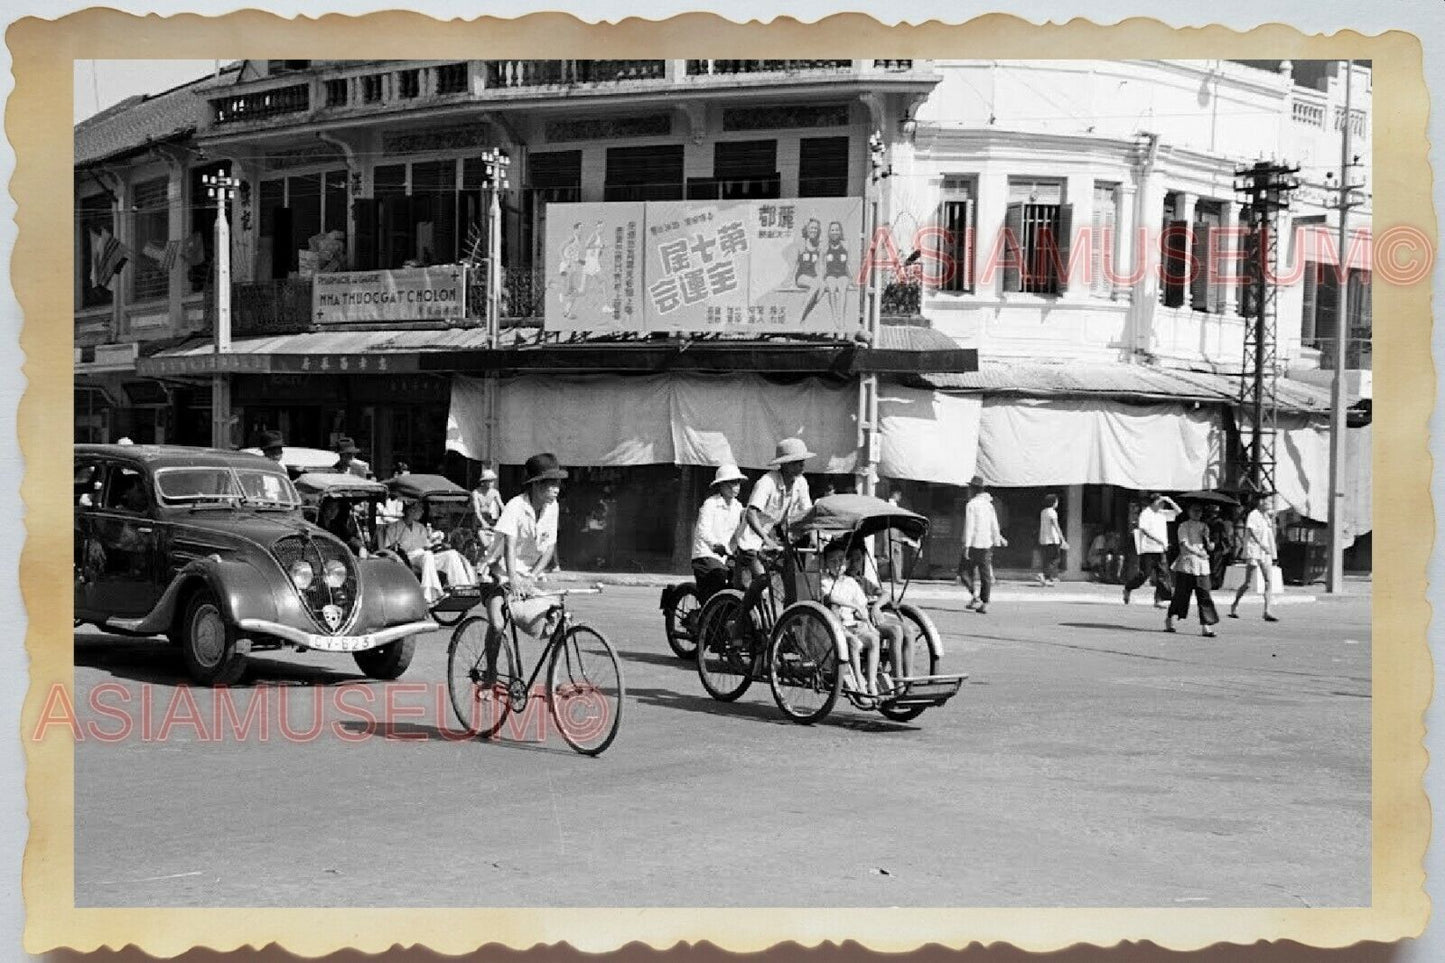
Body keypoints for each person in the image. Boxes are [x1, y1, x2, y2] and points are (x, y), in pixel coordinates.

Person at [481, 453, 567, 681]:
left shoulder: (552, 507)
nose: (556, 489)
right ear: (536, 485)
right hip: (497, 574)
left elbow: (549, 547)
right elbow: (508, 547)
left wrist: (531, 577)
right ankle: (490, 673)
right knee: (498, 625)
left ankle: (553, 679)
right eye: (551, 484)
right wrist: (514, 580)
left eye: (557, 483)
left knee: (557, 618)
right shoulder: (515, 506)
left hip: (526, 576)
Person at [730, 438, 815, 630]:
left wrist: (816, 535)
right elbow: (751, 513)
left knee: (792, 582)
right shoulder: (766, 482)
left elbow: (806, 514)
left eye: (803, 461)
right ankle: (739, 621)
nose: (802, 465)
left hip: (776, 538)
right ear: (784, 465)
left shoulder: (801, 483)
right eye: (796, 462)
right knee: (762, 579)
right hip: (751, 539)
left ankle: (786, 628)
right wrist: (766, 539)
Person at [379, 497, 475, 604]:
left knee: (451, 554)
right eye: (420, 509)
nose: (422, 512)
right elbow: (386, 547)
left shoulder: (420, 528)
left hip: (424, 556)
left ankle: (461, 587)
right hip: (405, 558)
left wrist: (436, 543)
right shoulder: (394, 527)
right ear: (411, 510)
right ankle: (430, 593)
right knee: (427, 555)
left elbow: (426, 545)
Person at [821, 539, 881, 699]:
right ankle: (859, 684)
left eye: (840, 560)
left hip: (852, 625)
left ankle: (872, 682)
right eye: (832, 561)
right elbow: (831, 597)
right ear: (825, 563)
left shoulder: (850, 582)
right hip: (833, 627)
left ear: (846, 562)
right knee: (854, 643)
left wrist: (868, 624)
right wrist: (853, 606)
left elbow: (862, 605)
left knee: (874, 639)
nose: (837, 564)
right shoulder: (824, 580)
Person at [846, 542, 909, 689]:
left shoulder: (862, 581)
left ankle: (908, 680)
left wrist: (876, 606)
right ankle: (898, 682)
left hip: (872, 617)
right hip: (860, 622)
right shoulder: (845, 582)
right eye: (852, 560)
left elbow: (885, 594)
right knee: (896, 630)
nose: (856, 564)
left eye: (859, 559)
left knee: (909, 631)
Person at [691, 464, 746, 602]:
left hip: (726, 556)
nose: (736, 486)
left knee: (742, 581)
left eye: (738, 482)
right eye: (732, 483)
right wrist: (715, 545)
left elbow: (743, 530)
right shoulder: (710, 504)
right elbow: (703, 531)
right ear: (721, 485)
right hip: (706, 554)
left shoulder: (738, 506)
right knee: (719, 579)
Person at [1166, 501, 1220, 636]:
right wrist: (1197, 552)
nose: (1197, 513)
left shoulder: (1205, 526)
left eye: (1200, 511)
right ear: (1189, 512)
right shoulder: (1183, 526)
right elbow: (1184, 544)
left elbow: (1210, 547)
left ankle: (1206, 625)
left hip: (1202, 565)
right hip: (1187, 564)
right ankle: (1170, 617)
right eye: (1194, 510)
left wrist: (1208, 540)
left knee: (1204, 594)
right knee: (1181, 594)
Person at [955, 476, 1006, 614]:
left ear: (972, 489)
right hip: (987, 543)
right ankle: (985, 601)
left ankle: (975, 596)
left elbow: (970, 526)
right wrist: (997, 538)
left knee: (964, 572)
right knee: (985, 574)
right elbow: (994, 524)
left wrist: (966, 545)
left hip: (974, 544)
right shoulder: (989, 505)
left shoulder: (971, 505)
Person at [1230, 493, 1281, 622]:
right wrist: (1262, 545)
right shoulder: (1253, 515)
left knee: (1268, 581)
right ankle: (1235, 604)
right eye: (1268, 501)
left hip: (1265, 552)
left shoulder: (1266, 517)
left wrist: (1271, 549)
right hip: (1254, 550)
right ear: (1261, 502)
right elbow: (1252, 532)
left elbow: (1270, 534)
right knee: (1248, 583)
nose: (1270, 504)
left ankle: (1267, 610)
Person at [1123, 493, 1180, 606]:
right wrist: (1158, 540)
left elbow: (1178, 512)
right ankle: (1128, 588)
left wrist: (1170, 501)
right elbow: (1144, 529)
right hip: (1148, 549)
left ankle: (1159, 599)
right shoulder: (1146, 513)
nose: (1162, 505)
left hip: (1160, 549)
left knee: (1163, 574)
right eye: (1160, 502)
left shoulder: (1162, 514)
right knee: (1144, 574)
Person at [1036, 493, 1068, 586]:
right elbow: (1056, 526)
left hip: (1044, 539)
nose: (1057, 503)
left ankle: (1048, 577)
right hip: (1053, 539)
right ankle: (1048, 576)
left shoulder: (1043, 512)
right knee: (1055, 559)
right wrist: (1062, 539)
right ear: (1053, 502)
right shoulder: (1052, 512)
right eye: (1056, 501)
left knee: (1047, 559)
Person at [1205, 504, 1235, 591]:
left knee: (1214, 565)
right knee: (1215, 565)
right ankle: (1215, 583)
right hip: (1216, 545)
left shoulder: (1211, 521)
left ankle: (1214, 583)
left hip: (1214, 544)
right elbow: (1223, 535)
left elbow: (1223, 535)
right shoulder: (1217, 522)